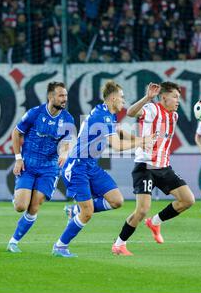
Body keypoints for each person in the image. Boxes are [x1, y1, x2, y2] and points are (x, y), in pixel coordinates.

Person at [52, 80, 153, 258]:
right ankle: (60, 246)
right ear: (113, 98)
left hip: (91, 166)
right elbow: (116, 145)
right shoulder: (102, 116)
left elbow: (119, 131)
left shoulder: (107, 113)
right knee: (88, 212)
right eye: (121, 97)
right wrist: (141, 142)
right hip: (78, 166)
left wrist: (138, 139)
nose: (123, 101)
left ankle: (74, 211)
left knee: (116, 201)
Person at [111, 82, 196, 256]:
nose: (178, 101)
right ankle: (119, 244)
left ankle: (155, 222)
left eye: (178, 98)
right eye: (175, 97)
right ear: (164, 97)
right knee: (141, 210)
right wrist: (147, 97)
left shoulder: (174, 116)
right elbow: (130, 112)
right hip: (145, 166)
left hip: (164, 167)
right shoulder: (151, 109)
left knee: (188, 200)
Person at [7, 82, 75, 253]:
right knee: (21, 206)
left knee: (34, 206)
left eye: (65, 96)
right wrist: (18, 158)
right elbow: (16, 132)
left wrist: (64, 153)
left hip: (49, 168)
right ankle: (18, 197)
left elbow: (67, 142)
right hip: (29, 165)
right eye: (61, 95)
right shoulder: (35, 113)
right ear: (51, 97)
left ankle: (13, 242)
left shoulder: (67, 119)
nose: (64, 99)